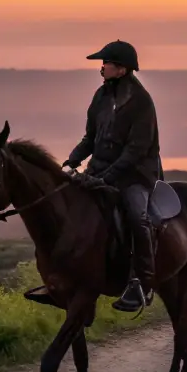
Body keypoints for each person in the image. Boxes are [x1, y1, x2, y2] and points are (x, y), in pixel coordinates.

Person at [62, 40, 163, 313]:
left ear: (122, 69)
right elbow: (90, 138)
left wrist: (106, 177)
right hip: (99, 171)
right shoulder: (101, 96)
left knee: (137, 217)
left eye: (106, 63)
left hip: (134, 176)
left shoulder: (141, 102)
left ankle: (142, 283)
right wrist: (72, 160)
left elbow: (136, 150)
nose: (102, 67)